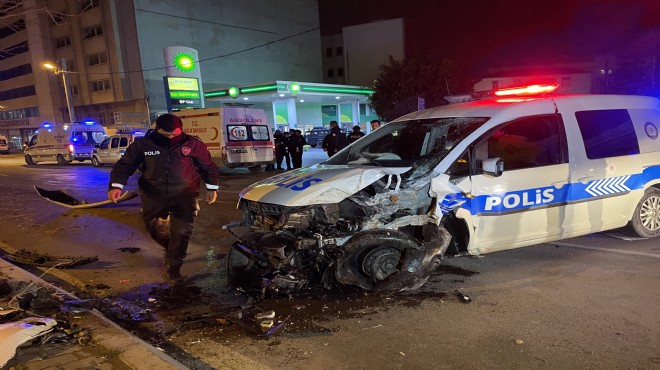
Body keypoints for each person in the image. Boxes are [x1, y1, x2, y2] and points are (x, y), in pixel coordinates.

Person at [107, 114, 219, 286]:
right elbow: (124, 165)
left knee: (181, 232)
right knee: (155, 229)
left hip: (185, 194)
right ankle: (173, 250)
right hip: (153, 194)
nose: (171, 138)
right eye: (167, 135)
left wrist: (212, 188)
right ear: (157, 130)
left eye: (175, 134)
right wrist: (116, 186)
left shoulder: (193, 144)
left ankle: (173, 268)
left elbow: (208, 167)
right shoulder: (142, 145)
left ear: (181, 129)